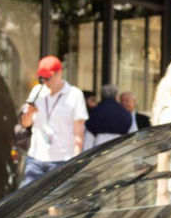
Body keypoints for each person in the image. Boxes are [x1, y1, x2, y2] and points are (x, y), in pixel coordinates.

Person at [19, 55, 87, 184]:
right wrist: (29, 113)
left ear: (59, 74)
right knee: (29, 199)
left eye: (48, 78)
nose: (44, 81)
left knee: (56, 202)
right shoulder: (37, 91)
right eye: (42, 78)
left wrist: (75, 160)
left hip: (62, 159)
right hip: (36, 157)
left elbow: (79, 132)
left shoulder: (74, 95)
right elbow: (26, 124)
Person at [85, 84, 136, 149]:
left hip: (98, 148)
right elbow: (132, 134)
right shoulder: (125, 113)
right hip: (119, 148)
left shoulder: (95, 112)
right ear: (116, 96)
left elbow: (89, 137)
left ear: (102, 95)